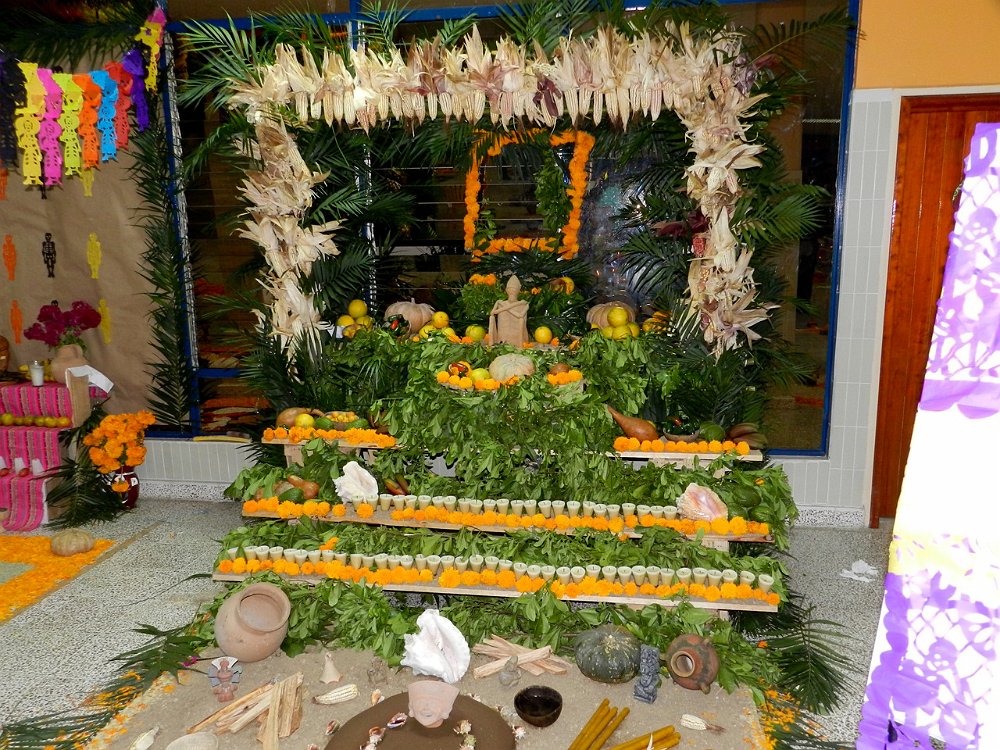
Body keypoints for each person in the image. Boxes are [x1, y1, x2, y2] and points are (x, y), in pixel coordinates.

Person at [488, 275, 529, 347]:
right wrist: (506, 307)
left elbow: (520, 315)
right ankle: (494, 342)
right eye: (510, 289)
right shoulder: (499, 303)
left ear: (518, 290)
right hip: (502, 340)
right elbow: (492, 313)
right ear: (506, 290)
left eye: (514, 289)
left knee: (521, 320)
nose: (512, 291)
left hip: (518, 340)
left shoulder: (524, 304)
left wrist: (507, 308)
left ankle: (519, 344)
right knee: (491, 318)